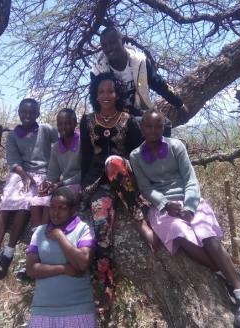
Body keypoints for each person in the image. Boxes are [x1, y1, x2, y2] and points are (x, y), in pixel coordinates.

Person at [129, 110, 240, 328]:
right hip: (162, 207)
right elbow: (146, 188)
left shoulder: (176, 146)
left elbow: (190, 179)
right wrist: (165, 204)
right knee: (182, 236)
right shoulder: (135, 156)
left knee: (207, 236)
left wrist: (189, 206)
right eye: (148, 126)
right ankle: (228, 274)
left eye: (157, 126)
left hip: (190, 200)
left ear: (163, 128)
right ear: (142, 128)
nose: (153, 130)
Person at [80, 72, 153, 314]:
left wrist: (143, 188)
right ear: (95, 95)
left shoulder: (130, 120)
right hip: (99, 183)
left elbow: (139, 156)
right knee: (101, 228)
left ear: (117, 93)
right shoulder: (88, 120)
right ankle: (108, 287)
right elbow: (85, 156)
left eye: (110, 91)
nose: (106, 95)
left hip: (125, 177)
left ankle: (138, 217)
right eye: (101, 91)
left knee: (113, 161)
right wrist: (83, 189)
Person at [0, 98, 57, 279]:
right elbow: (13, 161)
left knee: (26, 202)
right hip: (22, 174)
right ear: (19, 112)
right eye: (24, 112)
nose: (27, 116)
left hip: (43, 174)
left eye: (32, 113)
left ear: (37, 114)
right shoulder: (13, 135)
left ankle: (9, 252)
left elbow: (63, 140)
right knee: (7, 202)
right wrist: (25, 176)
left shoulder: (46, 129)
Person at [91, 26, 188, 136]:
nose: (108, 48)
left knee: (164, 125)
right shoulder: (98, 71)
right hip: (113, 115)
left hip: (137, 110)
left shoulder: (140, 62)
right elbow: (95, 101)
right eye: (104, 45)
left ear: (122, 41)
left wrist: (179, 103)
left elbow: (158, 84)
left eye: (112, 43)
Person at [26, 187, 97, 328]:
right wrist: (63, 269)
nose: (55, 213)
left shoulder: (84, 229)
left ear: (72, 209)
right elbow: (31, 269)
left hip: (78, 310)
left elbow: (82, 263)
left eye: (62, 208)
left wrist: (59, 236)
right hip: (43, 311)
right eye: (52, 207)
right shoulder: (40, 232)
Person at [33, 108, 82, 224]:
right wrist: (47, 183)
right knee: (36, 201)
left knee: (53, 200)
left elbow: (86, 172)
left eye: (67, 123)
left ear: (75, 123)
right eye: (60, 124)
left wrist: (60, 184)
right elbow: (52, 174)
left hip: (80, 183)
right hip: (63, 185)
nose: (63, 127)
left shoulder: (83, 141)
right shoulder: (56, 147)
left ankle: (45, 233)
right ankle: (38, 234)